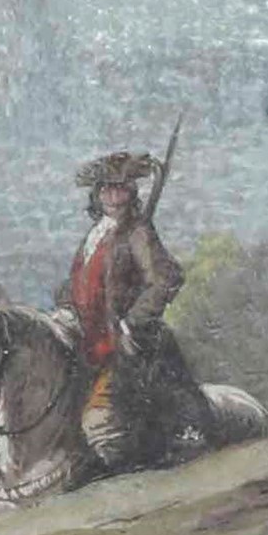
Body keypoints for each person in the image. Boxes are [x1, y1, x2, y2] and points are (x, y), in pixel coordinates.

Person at [61, 146, 187, 470]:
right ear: (97, 194)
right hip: (87, 340)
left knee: (107, 421)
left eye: (120, 188)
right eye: (106, 188)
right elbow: (80, 283)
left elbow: (166, 278)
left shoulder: (138, 233)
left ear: (131, 192)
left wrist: (133, 322)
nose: (112, 195)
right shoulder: (94, 234)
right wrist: (65, 309)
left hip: (123, 342)